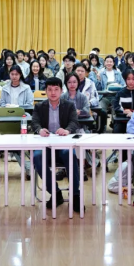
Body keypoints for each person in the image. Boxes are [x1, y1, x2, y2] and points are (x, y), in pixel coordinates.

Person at [31, 77, 82, 211]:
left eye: (56, 89)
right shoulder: (39, 106)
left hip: (63, 144)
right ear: (45, 91)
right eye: (50, 90)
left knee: (70, 155)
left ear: (61, 91)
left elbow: (74, 122)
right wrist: (39, 130)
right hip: (46, 145)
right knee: (37, 157)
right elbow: (34, 122)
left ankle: (75, 195)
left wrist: (67, 130)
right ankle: (55, 192)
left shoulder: (69, 105)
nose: (53, 92)